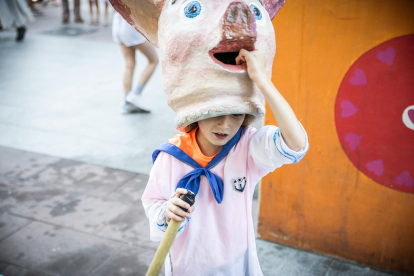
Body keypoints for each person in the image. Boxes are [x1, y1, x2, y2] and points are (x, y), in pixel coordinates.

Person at [141, 49, 310, 275]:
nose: (225, 126)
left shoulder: (248, 147)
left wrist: (262, 81)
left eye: (236, 114)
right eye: (215, 112)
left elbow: (296, 144)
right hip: (186, 267)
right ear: (196, 110)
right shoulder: (170, 155)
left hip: (235, 266)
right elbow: (154, 202)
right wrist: (167, 210)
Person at [112, 12, 159, 113]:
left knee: (130, 64)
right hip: (131, 26)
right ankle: (136, 94)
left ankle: (126, 102)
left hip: (117, 24)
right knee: (153, 60)